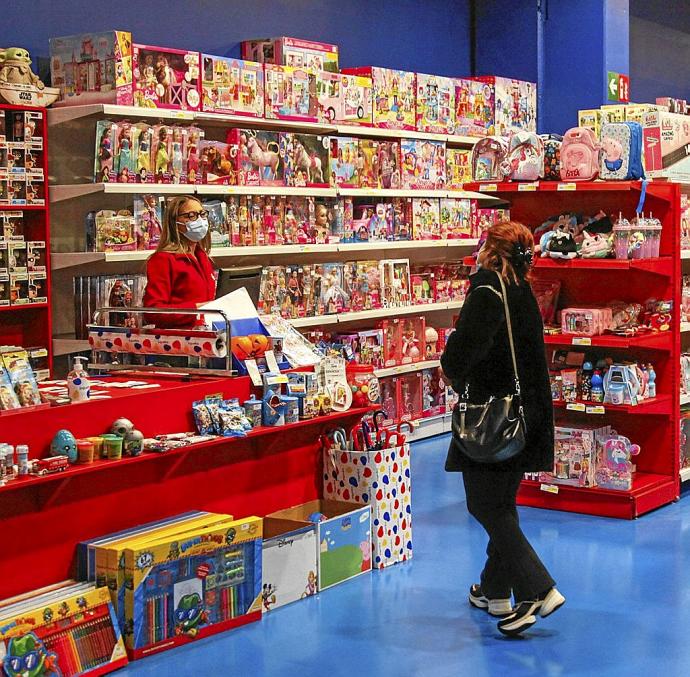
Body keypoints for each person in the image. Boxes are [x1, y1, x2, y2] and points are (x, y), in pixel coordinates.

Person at [440, 220, 564, 637]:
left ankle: (537, 588)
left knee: (484, 506)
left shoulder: (487, 291)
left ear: (489, 250)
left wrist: (449, 367)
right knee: (502, 503)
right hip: (526, 413)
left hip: (492, 416)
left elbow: (463, 353)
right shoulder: (522, 289)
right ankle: (494, 590)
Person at [143, 195, 216, 328]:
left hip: (206, 334)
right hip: (180, 339)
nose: (199, 220)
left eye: (202, 214)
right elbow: (153, 312)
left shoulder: (202, 256)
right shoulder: (163, 259)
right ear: (175, 223)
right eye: (191, 215)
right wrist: (195, 309)